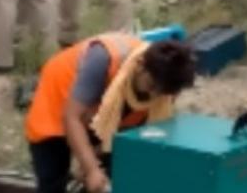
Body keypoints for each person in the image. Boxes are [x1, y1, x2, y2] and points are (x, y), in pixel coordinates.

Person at [25, 36, 197, 193]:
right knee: (53, 179)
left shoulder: (169, 84)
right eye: (152, 86)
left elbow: (123, 135)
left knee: (112, 172)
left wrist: (92, 159)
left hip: (100, 116)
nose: (154, 96)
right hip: (58, 104)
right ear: (140, 65)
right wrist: (91, 168)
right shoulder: (102, 60)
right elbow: (71, 118)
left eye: (162, 92)